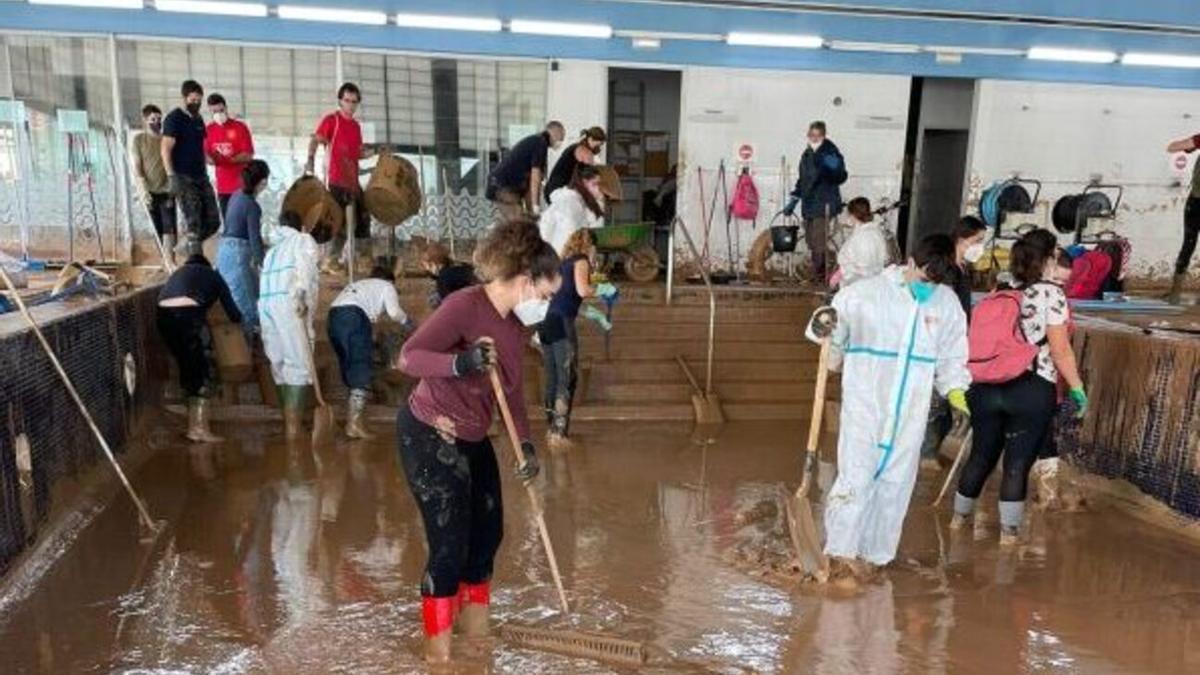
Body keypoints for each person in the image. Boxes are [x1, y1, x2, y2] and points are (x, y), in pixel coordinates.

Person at [396, 217, 560, 663]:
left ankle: (476, 638)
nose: (547, 304)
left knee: (488, 535)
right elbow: (408, 358)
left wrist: (525, 445)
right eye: (545, 294)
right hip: (430, 431)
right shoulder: (464, 305)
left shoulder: (515, 326)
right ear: (525, 281)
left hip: (471, 432)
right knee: (449, 544)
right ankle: (440, 655)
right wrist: (461, 362)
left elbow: (510, 392)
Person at [806, 233, 970, 584]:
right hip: (866, 403)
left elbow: (954, 355)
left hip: (910, 411)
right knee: (856, 478)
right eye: (925, 279)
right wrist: (824, 327)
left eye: (937, 282)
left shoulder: (947, 304)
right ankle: (839, 555)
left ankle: (875, 558)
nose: (930, 288)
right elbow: (830, 348)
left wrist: (956, 392)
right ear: (911, 263)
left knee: (896, 483)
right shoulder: (863, 295)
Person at [953, 229, 1088, 546]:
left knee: (980, 457)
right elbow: (1060, 349)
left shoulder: (1001, 286)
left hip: (984, 385)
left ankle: (956, 524)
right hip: (1030, 387)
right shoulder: (1051, 294)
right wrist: (1078, 387)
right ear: (1050, 257)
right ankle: (1008, 540)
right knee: (1016, 464)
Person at [919, 215, 988, 467]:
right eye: (977, 240)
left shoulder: (961, 269)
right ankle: (926, 454)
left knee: (947, 400)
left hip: (956, 340)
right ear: (962, 238)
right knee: (937, 401)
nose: (980, 246)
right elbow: (940, 309)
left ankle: (930, 451)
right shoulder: (948, 271)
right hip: (941, 340)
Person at [538, 229, 616, 449]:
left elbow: (566, 299)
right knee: (568, 378)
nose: (595, 253)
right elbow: (583, 291)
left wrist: (597, 315)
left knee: (553, 378)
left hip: (547, 322)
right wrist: (604, 289)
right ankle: (559, 434)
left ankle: (551, 430)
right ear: (589, 245)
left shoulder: (563, 264)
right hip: (562, 324)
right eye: (595, 249)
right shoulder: (581, 261)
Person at [157, 253, 242, 443]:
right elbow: (234, 313)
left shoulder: (178, 273)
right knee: (202, 371)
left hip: (162, 317)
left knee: (187, 365)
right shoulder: (213, 275)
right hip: (188, 313)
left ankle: (193, 423)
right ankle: (198, 430)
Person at [259, 210, 325, 438]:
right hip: (289, 305)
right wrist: (300, 295)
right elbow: (306, 269)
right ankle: (294, 429)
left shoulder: (273, 250)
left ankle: (289, 423)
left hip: (267, 307)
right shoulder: (303, 239)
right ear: (301, 226)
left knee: (278, 362)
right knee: (298, 361)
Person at [328, 266, 412, 440]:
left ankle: (353, 420)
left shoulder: (358, 286)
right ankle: (354, 424)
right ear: (390, 281)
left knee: (349, 364)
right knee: (360, 366)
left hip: (334, 317)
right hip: (354, 317)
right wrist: (408, 323)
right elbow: (394, 312)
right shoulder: (386, 286)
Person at [305, 82, 376, 274]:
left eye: (354, 102)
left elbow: (356, 153)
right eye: (347, 101)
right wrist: (310, 160)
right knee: (341, 222)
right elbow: (316, 140)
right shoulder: (332, 120)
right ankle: (331, 260)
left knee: (363, 218)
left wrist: (373, 151)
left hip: (352, 181)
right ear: (340, 101)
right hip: (336, 180)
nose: (351, 105)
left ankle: (363, 259)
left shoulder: (355, 127)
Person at [162, 80, 221, 253]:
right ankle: (194, 258)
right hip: (183, 176)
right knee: (194, 222)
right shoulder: (175, 118)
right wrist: (171, 176)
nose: (196, 103)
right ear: (184, 98)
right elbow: (165, 148)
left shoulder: (198, 119)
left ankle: (187, 244)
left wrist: (208, 157)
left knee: (213, 221)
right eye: (192, 100)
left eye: (198, 100)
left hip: (201, 175)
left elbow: (199, 144)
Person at [785, 121, 848, 284]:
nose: (814, 138)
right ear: (808, 135)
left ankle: (819, 278)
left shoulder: (830, 152)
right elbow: (803, 180)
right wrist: (794, 199)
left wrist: (834, 168)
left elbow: (840, 176)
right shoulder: (806, 155)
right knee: (811, 241)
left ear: (824, 135)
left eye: (818, 135)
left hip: (825, 203)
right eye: (812, 135)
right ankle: (831, 266)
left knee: (818, 242)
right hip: (809, 204)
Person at [215, 159, 269, 338]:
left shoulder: (236, 195)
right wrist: (265, 265)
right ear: (262, 182)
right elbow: (254, 240)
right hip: (238, 254)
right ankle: (248, 352)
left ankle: (250, 347)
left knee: (251, 295)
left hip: (224, 250)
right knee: (249, 307)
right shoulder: (252, 206)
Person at [129, 104, 178, 261]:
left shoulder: (166, 139)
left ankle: (171, 258)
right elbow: (137, 165)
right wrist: (142, 186)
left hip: (166, 189)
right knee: (157, 227)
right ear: (145, 120)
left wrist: (174, 183)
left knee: (169, 226)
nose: (157, 122)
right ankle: (164, 259)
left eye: (159, 119)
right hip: (149, 191)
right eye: (153, 119)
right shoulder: (139, 140)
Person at [487, 121, 565, 219]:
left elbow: (530, 187)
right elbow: (535, 177)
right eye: (561, 137)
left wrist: (532, 211)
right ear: (555, 132)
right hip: (502, 185)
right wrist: (535, 206)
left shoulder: (536, 142)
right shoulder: (540, 143)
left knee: (521, 220)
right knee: (517, 220)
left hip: (501, 184)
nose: (561, 141)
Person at [204, 93, 255, 217]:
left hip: (242, 185)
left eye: (221, 110)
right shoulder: (208, 130)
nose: (219, 114)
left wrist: (229, 160)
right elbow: (205, 155)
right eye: (214, 111)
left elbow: (248, 154)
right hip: (222, 187)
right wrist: (211, 160)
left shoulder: (240, 127)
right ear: (210, 112)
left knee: (243, 221)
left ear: (226, 108)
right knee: (229, 222)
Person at [538, 164, 606, 255]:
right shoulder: (571, 204)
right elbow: (574, 234)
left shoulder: (575, 201)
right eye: (595, 184)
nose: (598, 189)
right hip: (565, 256)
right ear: (584, 183)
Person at [1165, 132, 1200, 302]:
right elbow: (1172, 148)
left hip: (1196, 202)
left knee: (1188, 245)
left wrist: (1193, 142)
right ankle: (1175, 293)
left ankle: (1175, 293)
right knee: (1188, 245)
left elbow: (1172, 147)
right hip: (1196, 200)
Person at [832, 197, 889, 288]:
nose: (847, 217)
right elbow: (884, 259)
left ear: (853, 215)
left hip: (857, 287)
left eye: (849, 214)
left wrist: (841, 272)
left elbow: (861, 269)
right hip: (875, 283)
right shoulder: (876, 232)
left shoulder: (861, 237)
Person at [543, 126, 606, 202]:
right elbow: (589, 175)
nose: (599, 149)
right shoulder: (583, 151)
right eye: (598, 145)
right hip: (558, 190)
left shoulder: (577, 148)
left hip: (555, 189)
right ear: (590, 139)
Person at [420, 241, 477, 308]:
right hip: (475, 297)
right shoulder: (462, 265)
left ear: (432, 264)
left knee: (433, 299)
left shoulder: (443, 278)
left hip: (463, 305)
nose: (427, 270)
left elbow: (447, 302)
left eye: (425, 266)